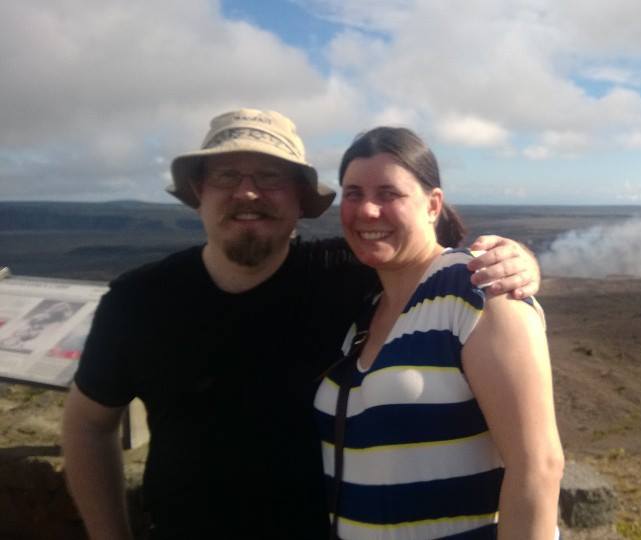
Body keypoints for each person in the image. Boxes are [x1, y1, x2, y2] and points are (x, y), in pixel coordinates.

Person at [61, 109, 543, 540]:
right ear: (198, 191)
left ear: (298, 198)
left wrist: (518, 264)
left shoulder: (348, 274)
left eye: (270, 177)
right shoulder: (139, 301)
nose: (247, 192)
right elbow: (87, 423)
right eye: (227, 175)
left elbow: (423, 255)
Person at [314, 127, 564, 539]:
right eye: (354, 193)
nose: (368, 210)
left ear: (433, 205)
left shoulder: (479, 289)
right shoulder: (364, 312)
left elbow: (538, 467)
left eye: (388, 194)